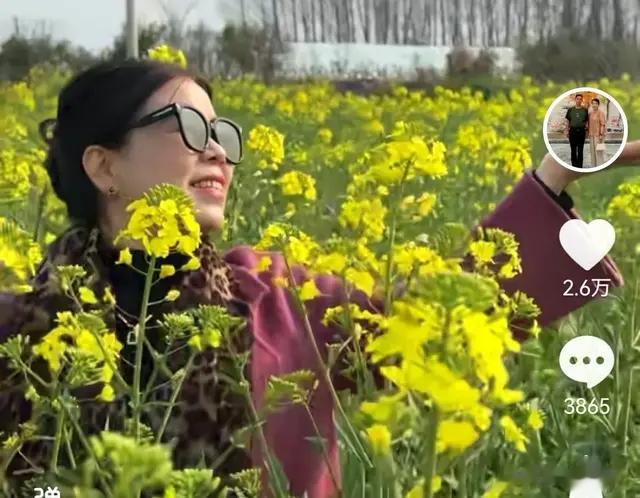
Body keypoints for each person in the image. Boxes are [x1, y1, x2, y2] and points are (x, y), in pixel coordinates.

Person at [0, 60, 632, 497]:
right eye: (190, 127)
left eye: (223, 134)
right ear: (103, 165)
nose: (217, 150)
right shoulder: (16, 332)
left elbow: (444, 329)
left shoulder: (280, 300)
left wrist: (555, 176)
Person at [564, 93, 589, 168]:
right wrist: (566, 130)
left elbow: (587, 121)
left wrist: (587, 131)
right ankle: (574, 166)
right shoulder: (570, 110)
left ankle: (580, 166)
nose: (579, 100)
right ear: (575, 99)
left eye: (580, 99)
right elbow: (567, 121)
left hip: (581, 131)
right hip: (572, 131)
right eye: (577, 99)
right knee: (573, 149)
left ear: (582, 100)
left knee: (580, 149)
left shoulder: (585, 110)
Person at [588, 97, 607, 167]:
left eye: (596, 103)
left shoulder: (601, 113)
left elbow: (603, 124)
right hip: (591, 135)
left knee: (598, 152)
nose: (594, 105)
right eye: (593, 103)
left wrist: (601, 134)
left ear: (598, 104)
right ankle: (593, 166)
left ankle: (600, 166)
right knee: (592, 152)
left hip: (598, 135)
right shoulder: (590, 113)